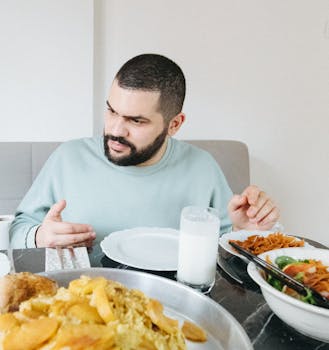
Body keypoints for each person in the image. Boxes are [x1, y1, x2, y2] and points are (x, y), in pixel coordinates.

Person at [10, 54, 279, 249]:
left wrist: (244, 233)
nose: (116, 130)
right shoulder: (68, 157)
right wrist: (40, 237)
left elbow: (226, 250)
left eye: (135, 121)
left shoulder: (202, 167)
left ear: (174, 124)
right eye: (111, 111)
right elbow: (16, 232)